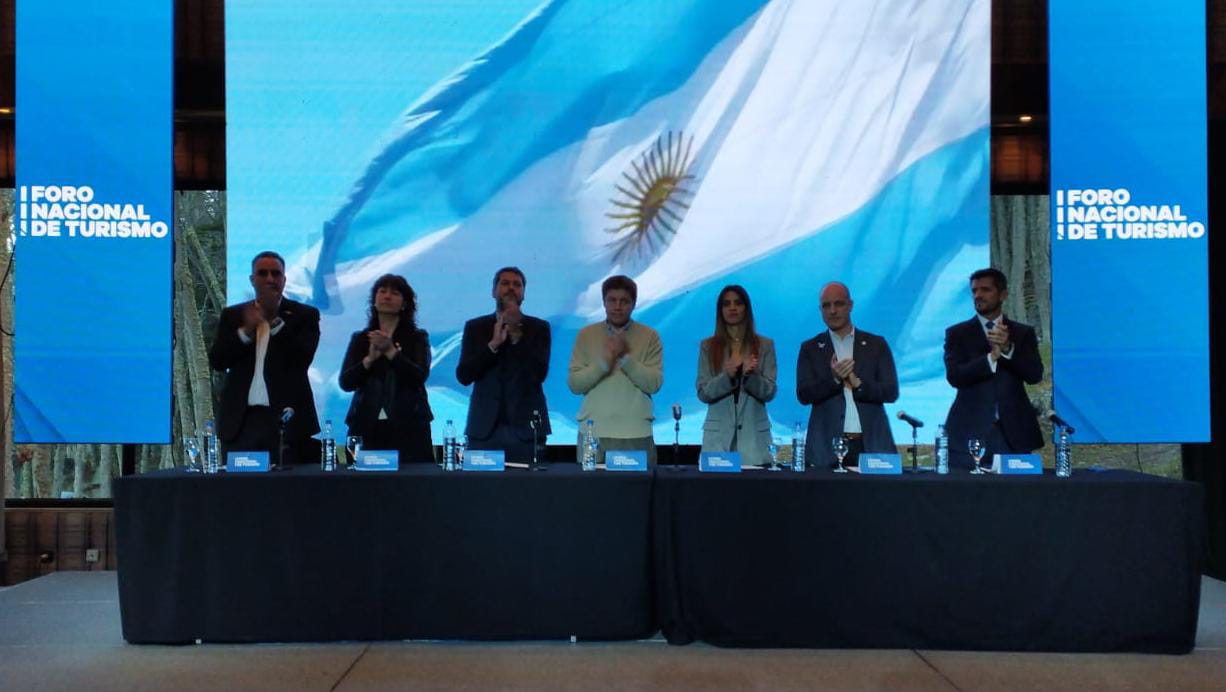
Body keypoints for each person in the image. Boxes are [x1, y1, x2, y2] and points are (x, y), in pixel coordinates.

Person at [209, 250, 321, 464]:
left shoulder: (304, 315)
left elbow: (302, 360)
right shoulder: (234, 315)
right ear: (252, 279)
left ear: (284, 280)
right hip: (241, 422)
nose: (270, 279)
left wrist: (275, 322)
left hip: (286, 422)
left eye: (275, 274)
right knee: (238, 484)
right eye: (262, 273)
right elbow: (218, 361)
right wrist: (246, 330)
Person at [943, 267, 1044, 468]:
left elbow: (1034, 375)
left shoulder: (1022, 333)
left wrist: (1008, 350)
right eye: (974, 290)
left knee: (1018, 488)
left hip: (1014, 433)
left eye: (985, 290)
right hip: (968, 433)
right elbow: (955, 376)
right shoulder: (958, 333)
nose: (978, 295)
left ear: (1003, 294)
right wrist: (991, 358)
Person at [796, 282, 898, 470]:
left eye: (839, 304)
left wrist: (859, 385)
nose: (832, 311)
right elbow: (804, 394)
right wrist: (834, 379)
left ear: (850, 305)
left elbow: (891, 392)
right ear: (820, 310)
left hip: (870, 445)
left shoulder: (876, 344)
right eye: (826, 306)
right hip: (825, 449)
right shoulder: (810, 348)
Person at [456, 267, 551, 462]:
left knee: (531, 482)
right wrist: (492, 346)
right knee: (481, 482)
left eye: (517, 285)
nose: (511, 288)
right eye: (505, 283)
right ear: (493, 291)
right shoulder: (476, 327)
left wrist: (516, 335)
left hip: (527, 429)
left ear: (523, 293)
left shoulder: (538, 328)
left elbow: (539, 374)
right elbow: (464, 375)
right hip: (484, 429)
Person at [568, 275, 663, 465]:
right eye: (612, 300)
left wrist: (625, 358)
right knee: (589, 484)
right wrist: (604, 364)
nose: (617, 306)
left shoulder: (650, 336)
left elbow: (653, 384)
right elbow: (575, 385)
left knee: (639, 485)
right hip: (592, 434)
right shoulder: (586, 335)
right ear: (604, 302)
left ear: (633, 304)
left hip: (635, 434)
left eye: (624, 301)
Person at [338, 274, 434, 462]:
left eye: (395, 293)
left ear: (404, 304)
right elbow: (346, 382)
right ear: (374, 301)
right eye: (382, 291)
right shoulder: (361, 338)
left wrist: (391, 352)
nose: (387, 296)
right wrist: (369, 360)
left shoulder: (417, 337)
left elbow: (418, 377)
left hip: (409, 425)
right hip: (365, 423)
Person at [695, 285, 777, 466]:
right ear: (720, 310)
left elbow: (770, 392)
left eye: (738, 303)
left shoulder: (765, 345)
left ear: (746, 308)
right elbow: (703, 393)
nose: (732, 308)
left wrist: (750, 376)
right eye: (726, 304)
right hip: (718, 443)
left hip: (754, 442)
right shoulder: (708, 346)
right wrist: (728, 376)